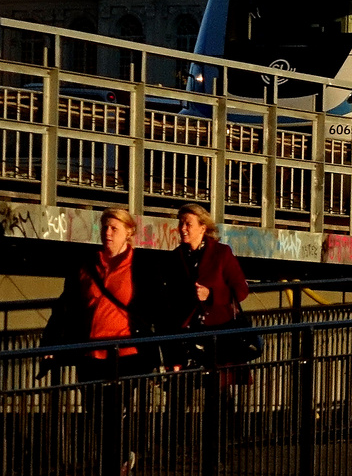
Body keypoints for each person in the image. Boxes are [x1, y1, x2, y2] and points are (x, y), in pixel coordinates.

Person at [42, 208, 151, 476]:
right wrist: (50, 344)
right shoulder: (87, 265)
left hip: (125, 352)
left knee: (115, 411)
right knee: (96, 414)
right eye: (105, 228)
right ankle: (117, 458)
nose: (108, 233)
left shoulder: (141, 266)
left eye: (114, 228)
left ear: (129, 233)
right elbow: (65, 307)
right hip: (91, 353)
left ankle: (115, 464)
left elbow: (156, 309)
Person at [166, 203, 252, 381]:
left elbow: (241, 290)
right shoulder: (175, 257)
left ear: (202, 228)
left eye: (188, 224)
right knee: (179, 392)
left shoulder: (221, 253)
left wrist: (211, 295)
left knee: (217, 393)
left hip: (220, 335)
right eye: (181, 223)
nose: (182, 229)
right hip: (186, 336)